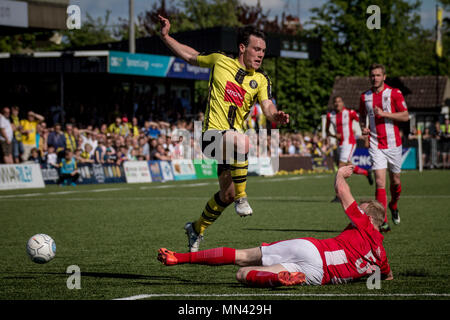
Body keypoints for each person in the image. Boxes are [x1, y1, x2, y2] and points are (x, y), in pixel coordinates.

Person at [158, 15, 289, 252]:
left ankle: (196, 228)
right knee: (242, 140)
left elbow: (267, 105)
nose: (261, 54)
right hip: (211, 136)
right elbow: (190, 55)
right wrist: (166, 36)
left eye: (263, 51)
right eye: (256, 49)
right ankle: (243, 196)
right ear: (242, 48)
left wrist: (274, 116)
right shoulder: (220, 61)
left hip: (232, 146)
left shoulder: (260, 79)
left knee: (225, 195)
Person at [158, 165, 393, 287]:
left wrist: (341, 174)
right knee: (243, 275)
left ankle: (179, 258)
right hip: (317, 275)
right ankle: (279, 278)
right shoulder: (381, 257)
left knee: (241, 258)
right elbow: (387, 276)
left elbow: (342, 192)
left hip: (313, 250)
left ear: (369, 218)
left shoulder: (364, 224)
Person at [359, 63, 409, 232]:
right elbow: (361, 117)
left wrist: (384, 114)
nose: (375, 78)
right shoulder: (364, 96)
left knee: (395, 182)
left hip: (394, 144)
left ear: (384, 77)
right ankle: (384, 221)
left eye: (378, 75)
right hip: (375, 144)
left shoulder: (394, 93)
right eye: (372, 75)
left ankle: (393, 205)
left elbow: (405, 116)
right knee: (380, 182)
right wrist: (363, 128)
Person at [326, 96, 373, 202]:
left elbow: (362, 121)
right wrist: (334, 136)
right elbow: (327, 131)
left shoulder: (350, 113)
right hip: (340, 144)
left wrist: (366, 137)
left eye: (339, 101)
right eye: (335, 102)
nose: (337, 104)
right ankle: (366, 172)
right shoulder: (330, 115)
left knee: (341, 167)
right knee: (348, 165)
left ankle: (339, 195)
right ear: (333, 104)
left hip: (349, 143)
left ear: (343, 103)